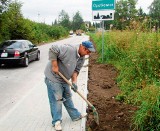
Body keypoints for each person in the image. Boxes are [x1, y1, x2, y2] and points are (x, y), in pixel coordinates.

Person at [44, 40, 95, 131]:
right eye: (88, 51)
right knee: (57, 100)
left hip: (64, 79)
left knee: (68, 97)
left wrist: (74, 82)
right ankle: (56, 121)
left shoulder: (81, 58)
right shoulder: (69, 49)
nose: (88, 54)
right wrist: (55, 66)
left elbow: (76, 71)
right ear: (83, 47)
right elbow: (53, 49)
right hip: (53, 77)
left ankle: (75, 116)